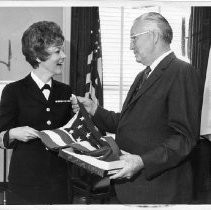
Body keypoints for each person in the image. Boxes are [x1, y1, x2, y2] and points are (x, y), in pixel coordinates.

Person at [71, 12, 201, 204]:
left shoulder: (181, 71)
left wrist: (142, 161)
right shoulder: (143, 75)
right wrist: (94, 110)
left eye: (134, 38)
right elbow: (129, 123)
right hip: (132, 188)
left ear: (154, 36)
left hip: (160, 191)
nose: (131, 46)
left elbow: (184, 139)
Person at [0, 21, 73, 204]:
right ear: (39, 57)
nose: (63, 56)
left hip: (59, 183)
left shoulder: (66, 91)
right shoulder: (13, 91)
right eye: (57, 51)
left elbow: (72, 134)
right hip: (24, 185)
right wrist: (13, 133)